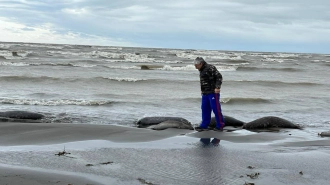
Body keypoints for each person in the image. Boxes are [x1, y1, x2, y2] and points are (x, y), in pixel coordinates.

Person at [194, 57, 225, 131]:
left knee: (216, 109)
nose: (195, 67)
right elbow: (204, 81)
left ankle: (220, 125)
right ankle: (204, 125)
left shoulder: (210, 67)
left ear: (201, 63)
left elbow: (219, 77)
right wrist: (202, 90)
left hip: (213, 92)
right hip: (205, 93)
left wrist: (217, 87)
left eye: (196, 65)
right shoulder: (201, 70)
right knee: (205, 109)